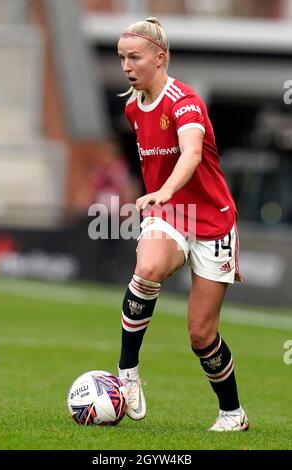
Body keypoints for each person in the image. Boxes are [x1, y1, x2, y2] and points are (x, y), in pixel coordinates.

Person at [116, 17, 249, 432]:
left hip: (212, 219)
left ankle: (233, 414)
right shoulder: (133, 107)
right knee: (149, 267)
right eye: (121, 58)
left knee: (201, 334)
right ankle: (128, 372)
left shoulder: (185, 100)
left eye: (133, 57)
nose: (125, 66)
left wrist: (165, 189)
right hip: (170, 213)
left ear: (161, 57)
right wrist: (163, 200)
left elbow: (191, 154)